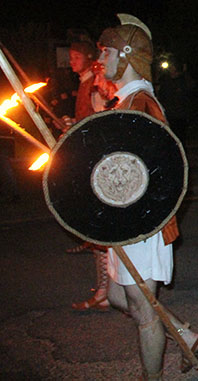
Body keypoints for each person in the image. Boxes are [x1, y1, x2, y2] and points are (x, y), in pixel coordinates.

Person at [98, 14, 198, 378]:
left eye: (106, 52)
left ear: (127, 56)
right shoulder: (124, 103)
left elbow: (156, 174)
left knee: (144, 314)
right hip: (125, 223)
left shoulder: (142, 105)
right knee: (118, 297)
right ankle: (185, 335)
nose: (100, 60)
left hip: (142, 226)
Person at [66, 39, 113, 311]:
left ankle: (106, 291)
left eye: (75, 57)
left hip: (99, 162)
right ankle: (105, 290)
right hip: (91, 159)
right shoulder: (89, 83)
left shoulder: (98, 83)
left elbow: (100, 121)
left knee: (101, 233)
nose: (71, 62)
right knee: (98, 233)